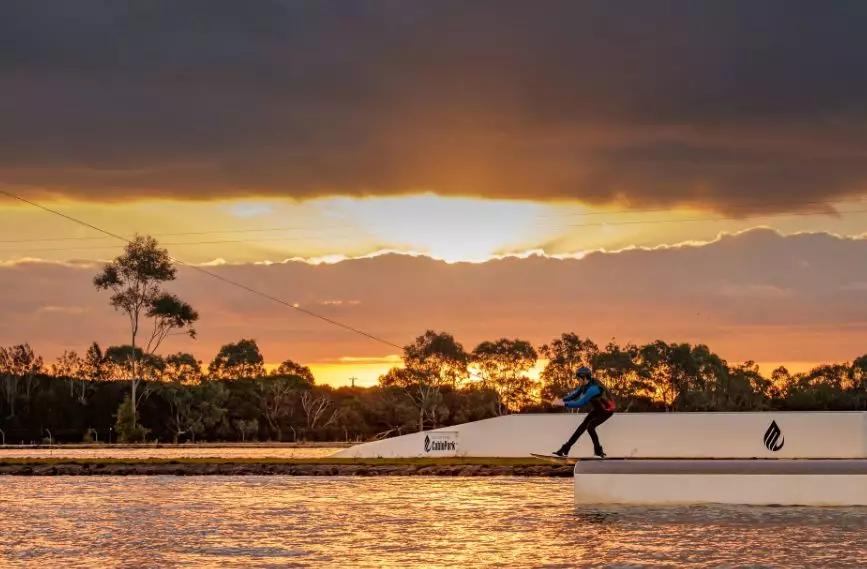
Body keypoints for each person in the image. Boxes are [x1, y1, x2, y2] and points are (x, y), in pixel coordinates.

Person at [551, 366, 616, 458]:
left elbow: (580, 403)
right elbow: (573, 395)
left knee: (590, 427)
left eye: (578, 378)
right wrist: (561, 400)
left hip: (607, 411)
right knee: (582, 427)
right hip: (598, 409)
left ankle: (598, 452)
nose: (577, 380)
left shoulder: (593, 389)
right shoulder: (584, 385)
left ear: (584, 377)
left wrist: (563, 404)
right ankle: (565, 449)